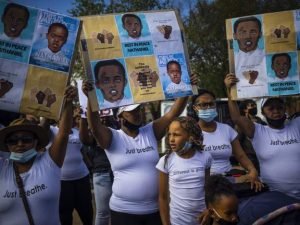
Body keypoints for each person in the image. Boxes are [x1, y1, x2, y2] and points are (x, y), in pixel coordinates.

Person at [82, 75, 193, 225]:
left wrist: (186, 88)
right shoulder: (112, 136)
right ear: (120, 116)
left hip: (154, 210)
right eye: (132, 112)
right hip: (123, 212)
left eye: (138, 110)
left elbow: (173, 112)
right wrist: (91, 97)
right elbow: (94, 125)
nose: (137, 114)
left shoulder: (151, 131)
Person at [0, 86, 76, 225]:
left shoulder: (49, 162)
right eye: (13, 140)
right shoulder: (2, 168)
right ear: (7, 145)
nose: (20, 144)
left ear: (36, 142)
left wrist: (68, 102)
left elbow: (63, 134)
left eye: (26, 139)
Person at [224, 73, 300, 200]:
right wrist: (230, 90)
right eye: (271, 108)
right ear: (263, 111)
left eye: (279, 107)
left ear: (285, 109)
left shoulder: (296, 125)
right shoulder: (258, 130)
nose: (276, 111)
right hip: (272, 196)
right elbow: (236, 118)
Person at [189, 89, 261, 189]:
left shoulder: (226, 129)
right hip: (202, 183)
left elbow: (241, 156)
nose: (208, 107)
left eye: (211, 104)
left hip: (228, 181)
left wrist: (252, 171)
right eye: (204, 105)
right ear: (195, 108)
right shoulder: (191, 133)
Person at [156, 116, 212, 225]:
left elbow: (208, 189)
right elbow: (162, 197)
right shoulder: (166, 161)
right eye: (170, 134)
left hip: (202, 220)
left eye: (176, 135)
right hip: (177, 221)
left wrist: (209, 210)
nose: (171, 139)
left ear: (191, 137)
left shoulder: (205, 157)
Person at [52, 108, 93, 225]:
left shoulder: (76, 131)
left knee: (87, 212)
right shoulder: (52, 131)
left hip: (82, 178)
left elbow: (82, 150)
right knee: (65, 215)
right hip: (62, 182)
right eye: (64, 116)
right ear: (58, 118)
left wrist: (89, 164)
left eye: (70, 116)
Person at [81, 115, 118, 225]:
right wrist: (84, 117)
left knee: (120, 210)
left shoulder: (117, 127)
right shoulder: (93, 130)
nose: (103, 117)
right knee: (103, 212)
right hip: (102, 173)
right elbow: (84, 139)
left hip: (119, 173)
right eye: (100, 115)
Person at [233, 16, 266, 89]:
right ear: (235, 36)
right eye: (243, 32)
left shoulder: (268, 56)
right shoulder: (232, 61)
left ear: (260, 34)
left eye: (253, 31)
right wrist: (229, 86)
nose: (248, 36)